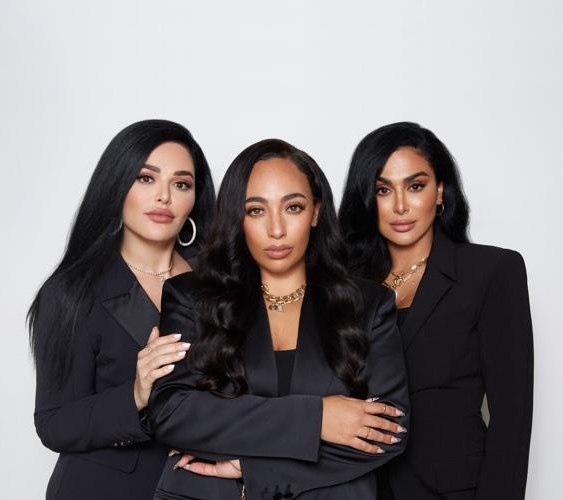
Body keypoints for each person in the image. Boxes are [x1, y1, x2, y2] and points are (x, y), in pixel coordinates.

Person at [147, 139, 409, 500]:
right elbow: (174, 413)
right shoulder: (192, 296)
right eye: (256, 210)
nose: (276, 229)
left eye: (293, 207)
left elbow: (388, 431)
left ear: (315, 212)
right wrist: (317, 419)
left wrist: (254, 468)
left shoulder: (368, 303)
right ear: (237, 217)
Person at [337, 122, 533, 500]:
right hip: (360, 489)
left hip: (452, 491)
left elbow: (512, 419)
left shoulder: (491, 272)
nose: (400, 206)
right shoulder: (345, 285)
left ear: (440, 190)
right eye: (383, 190)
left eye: (415, 186)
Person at [27, 119, 215, 499]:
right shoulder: (72, 292)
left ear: (195, 198)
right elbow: (53, 423)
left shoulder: (220, 281)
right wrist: (135, 394)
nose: (164, 197)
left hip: (203, 487)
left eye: (181, 184)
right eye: (146, 178)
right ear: (117, 185)